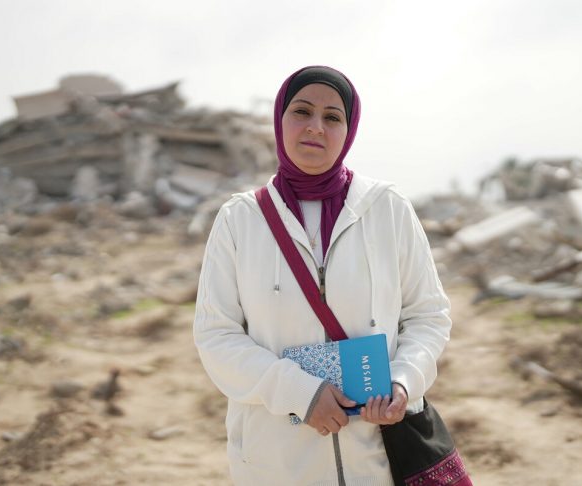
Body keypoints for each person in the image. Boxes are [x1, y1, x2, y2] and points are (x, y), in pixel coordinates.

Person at [193, 66, 452, 486]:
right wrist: (298, 393)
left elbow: (429, 315)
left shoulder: (387, 209)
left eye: (333, 117)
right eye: (302, 111)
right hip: (275, 462)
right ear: (280, 121)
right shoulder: (240, 219)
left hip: (377, 458)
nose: (316, 127)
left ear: (348, 131)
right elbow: (215, 334)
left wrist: (404, 382)